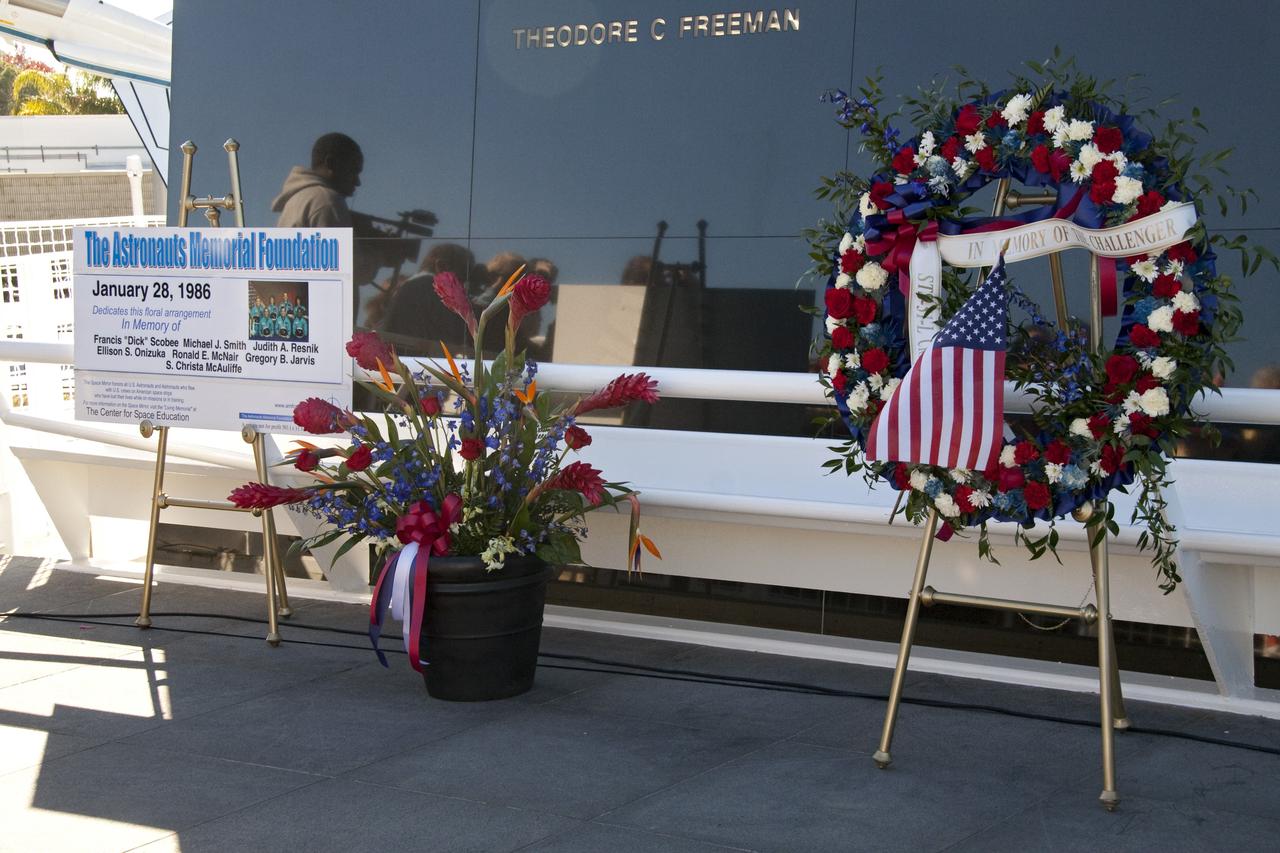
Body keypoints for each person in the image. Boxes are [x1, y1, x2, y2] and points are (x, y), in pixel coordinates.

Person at [271, 133, 363, 228]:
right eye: (353, 171)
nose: (357, 182)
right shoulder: (327, 200)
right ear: (331, 163)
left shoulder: (293, 203)